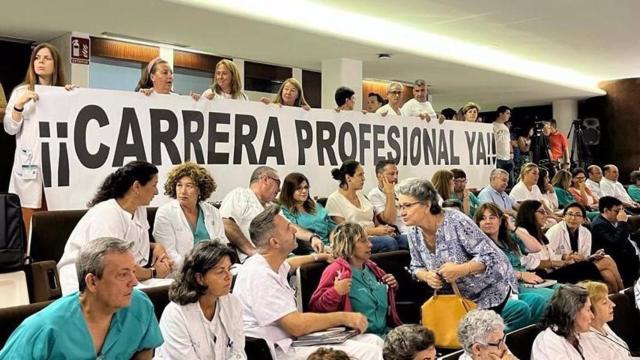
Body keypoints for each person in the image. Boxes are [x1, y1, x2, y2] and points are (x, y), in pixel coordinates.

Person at [233, 206, 384, 360]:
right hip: (276, 351)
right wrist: (344, 317)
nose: (294, 230)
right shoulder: (260, 275)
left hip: (291, 341)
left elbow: (290, 263)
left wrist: (318, 257)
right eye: (288, 228)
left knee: (375, 341)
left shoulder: (266, 262)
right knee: (370, 352)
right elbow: (297, 326)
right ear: (275, 242)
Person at [0, 237, 163, 359]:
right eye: (123, 275)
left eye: (133, 272)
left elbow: (145, 347)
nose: (134, 282)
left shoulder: (140, 306)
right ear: (92, 282)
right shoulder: (41, 330)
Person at [397, 178, 524, 330]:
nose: (402, 212)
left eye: (407, 206)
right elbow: (416, 266)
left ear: (427, 204)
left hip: (489, 291)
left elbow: (492, 257)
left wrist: (461, 269)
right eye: (400, 206)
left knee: (479, 341)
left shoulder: (456, 221)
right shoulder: (413, 233)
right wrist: (426, 276)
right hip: (457, 300)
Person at [58, 161, 173, 295]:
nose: (157, 191)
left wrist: (155, 247)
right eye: (154, 185)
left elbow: (129, 242)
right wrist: (153, 272)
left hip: (126, 276)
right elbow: (113, 265)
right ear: (136, 186)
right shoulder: (107, 214)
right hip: (92, 280)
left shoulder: (139, 209)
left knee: (174, 288)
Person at [4, 42, 76, 234]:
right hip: (29, 169)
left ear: (56, 64)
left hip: (57, 168)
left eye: (46, 58)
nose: (40, 62)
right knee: (30, 228)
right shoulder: (21, 92)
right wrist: (19, 105)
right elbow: (10, 129)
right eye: (37, 58)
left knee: (56, 225)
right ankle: (31, 263)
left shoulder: (64, 93)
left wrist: (72, 97)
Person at [156, 240, 246, 359]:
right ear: (199, 278)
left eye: (229, 269)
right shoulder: (176, 314)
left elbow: (238, 353)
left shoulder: (232, 303)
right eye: (220, 271)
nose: (228, 276)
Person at [309, 222, 402, 336]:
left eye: (368, 240)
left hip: (386, 332)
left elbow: (384, 305)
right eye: (363, 241)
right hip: (358, 338)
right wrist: (335, 292)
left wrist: (392, 286)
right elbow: (316, 309)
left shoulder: (373, 268)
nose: (370, 245)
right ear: (348, 244)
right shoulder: (335, 270)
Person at [220, 166, 323, 261]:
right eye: (278, 183)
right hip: (257, 261)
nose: (279, 190)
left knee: (321, 261)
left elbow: (290, 226)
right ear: (265, 179)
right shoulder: (240, 195)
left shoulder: (271, 206)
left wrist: (312, 237)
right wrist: (251, 250)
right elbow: (226, 223)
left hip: (283, 257)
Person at [475, 203, 553, 324]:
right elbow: (491, 272)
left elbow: (537, 247)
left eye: (492, 217)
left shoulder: (509, 238)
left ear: (501, 220)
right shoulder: (479, 245)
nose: (487, 222)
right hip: (507, 285)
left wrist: (513, 227)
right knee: (550, 297)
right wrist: (520, 275)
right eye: (483, 219)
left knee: (563, 291)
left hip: (526, 280)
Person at [153, 162, 227, 270]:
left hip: (212, 268)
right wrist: (198, 269)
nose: (183, 191)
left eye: (189, 186)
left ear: (199, 190)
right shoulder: (165, 213)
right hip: (181, 272)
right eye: (179, 185)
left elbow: (222, 245)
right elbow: (169, 254)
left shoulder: (213, 212)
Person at [326, 160, 406, 253]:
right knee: (389, 243)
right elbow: (345, 231)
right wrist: (374, 231)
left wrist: (385, 229)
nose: (364, 178)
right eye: (360, 175)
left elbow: (375, 222)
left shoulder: (362, 196)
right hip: (356, 240)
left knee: (407, 241)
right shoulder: (334, 200)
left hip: (376, 236)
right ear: (348, 178)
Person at [516, 200, 602, 284]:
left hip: (551, 271)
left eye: (578, 215)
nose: (546, 215)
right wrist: (563, 260)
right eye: (542, 212)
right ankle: (603, 294)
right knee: (588, 267)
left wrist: (566, 260)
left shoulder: (538, 232)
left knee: (592, 265)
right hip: (538, 276)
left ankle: (605, 293)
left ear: (583, 219)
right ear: (529, 213)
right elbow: (528, 262)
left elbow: (551, 257)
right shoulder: (522, 233)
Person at [545, 203, 623, 293]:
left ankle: (617, 299)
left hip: (577, 266)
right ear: (564, 217)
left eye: (578, 215)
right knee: (607, 260)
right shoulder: (555, 231)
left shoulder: (585, 232)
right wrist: (564, 257)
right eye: (570, 214)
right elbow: (548, 258)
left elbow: (584, 257)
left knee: (608, 274)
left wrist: (592, 256)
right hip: (558, 271)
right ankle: (623, 291)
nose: (573, 218)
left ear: (583, 219)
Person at [531, 285, 597, 359]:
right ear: (573, 313)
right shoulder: (549, 342)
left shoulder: (579, 334)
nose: (592, 316)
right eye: (588, 310)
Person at [591, 196, 640, 287]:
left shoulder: (617, 218)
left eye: (622, 210)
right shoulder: (598, 225)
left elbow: (630, 235)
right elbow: (617, 244)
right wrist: (622, 223)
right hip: (619, 258)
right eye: (617, 211)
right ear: (606, 210)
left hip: (633, 250)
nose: (621, 213)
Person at [579, 281, 635, 359]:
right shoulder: (589, 341)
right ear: (589, 308)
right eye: (605, 302)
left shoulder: (603, 325)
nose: (613, 304)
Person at [279, 172, 336, 247]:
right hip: (307, 251)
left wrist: (333, 244)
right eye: (298, 188)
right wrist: (321, 248)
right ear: (289, 190)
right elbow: (295, 236)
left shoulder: (316, 206)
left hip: (330, 247)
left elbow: (332, 227)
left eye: (306, 187)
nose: (304, 191)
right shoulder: (284, 211)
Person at [368, 159, 408, 234]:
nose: (396, 177)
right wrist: (390, 194)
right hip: (399, 231)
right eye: (392, 174)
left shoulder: (401, 189)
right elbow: (390, 220)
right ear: (379, 176)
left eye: (397, 173)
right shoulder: (374, 195)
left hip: (413, 226)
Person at [493, 106, 515, 187]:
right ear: (500, 114)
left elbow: (508, 141)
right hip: (498, 158)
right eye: (507, 113)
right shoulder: (493, 126)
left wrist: (511, 152)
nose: (509, 115)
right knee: (499, 181)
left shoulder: (506, 127)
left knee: (510, 181)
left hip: (508, 157)